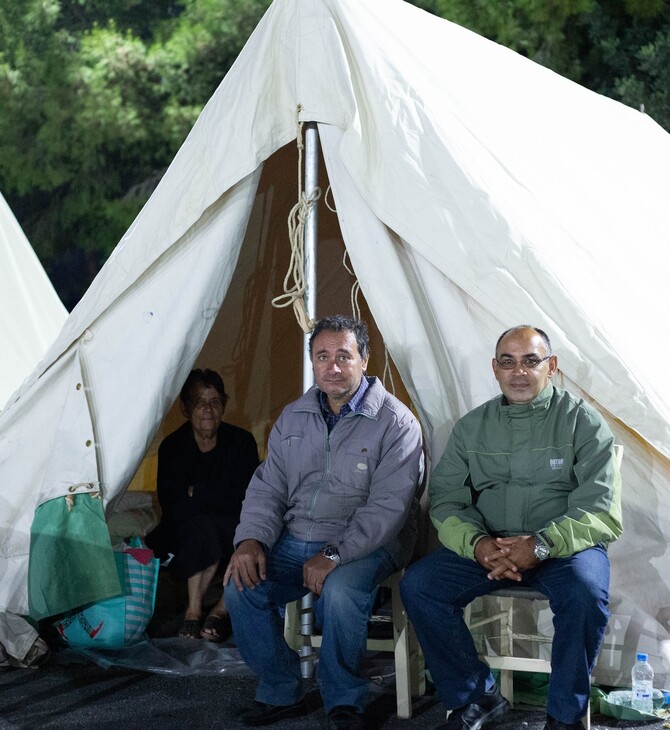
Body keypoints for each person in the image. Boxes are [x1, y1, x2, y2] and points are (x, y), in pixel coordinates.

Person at [400, 325, 623, 730]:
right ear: (495, 369)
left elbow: (601, 511)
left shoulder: (583, 423)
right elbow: (448, 499)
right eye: (508, 362)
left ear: (551, 367)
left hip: (562, 548)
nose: (518, 372)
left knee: (586, 593)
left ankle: (564, 714)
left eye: (530, 361)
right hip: (491, 546)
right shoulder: (472, 426)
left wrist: (541, 544)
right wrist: (478, 543)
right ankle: (476, 696)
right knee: (420, 585)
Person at [223, 315, 423, 730]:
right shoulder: (293, 416)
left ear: (365, 360)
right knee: (239, 583)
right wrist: (251, 540)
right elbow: (268, 489)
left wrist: (334, 554)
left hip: (368, 542)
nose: (333, 366)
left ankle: (343, 699)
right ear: (312, 362)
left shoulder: (397, 422)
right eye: (323, 356)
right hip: (298, 536)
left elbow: (388, 508)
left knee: (343, 589)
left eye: (344, 356)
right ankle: (280, 689)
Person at [146, 369, 259, 641]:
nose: (208, 409)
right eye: (200, 402)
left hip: (236, 523)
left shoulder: (241, 442)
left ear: (223, 405)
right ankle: (195, 611)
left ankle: (219, 611)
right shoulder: (173, 446)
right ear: (186, 409)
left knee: (253, 537)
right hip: (185, 527)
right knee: (203, 528)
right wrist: (220, 495)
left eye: (215, 402)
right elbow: (172, 504)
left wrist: (197, 492)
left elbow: (250, 497)